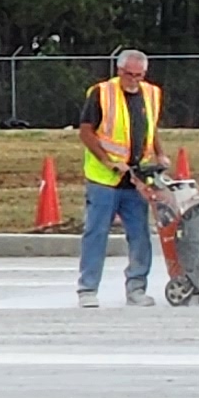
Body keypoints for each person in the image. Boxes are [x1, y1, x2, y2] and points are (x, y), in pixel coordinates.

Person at [74, 46, 166, 308]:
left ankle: (137, 288)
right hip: (104, 179)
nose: (135, 80)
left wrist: (161, 155)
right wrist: (108, 161)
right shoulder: (102, 93)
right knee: (96, 232)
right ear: (119, 71)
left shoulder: (151, 94)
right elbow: (86, 132)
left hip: (135, 179)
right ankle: (88, 289)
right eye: (130, 74)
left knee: (140, 235)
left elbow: (151, 129)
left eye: (140, 75)